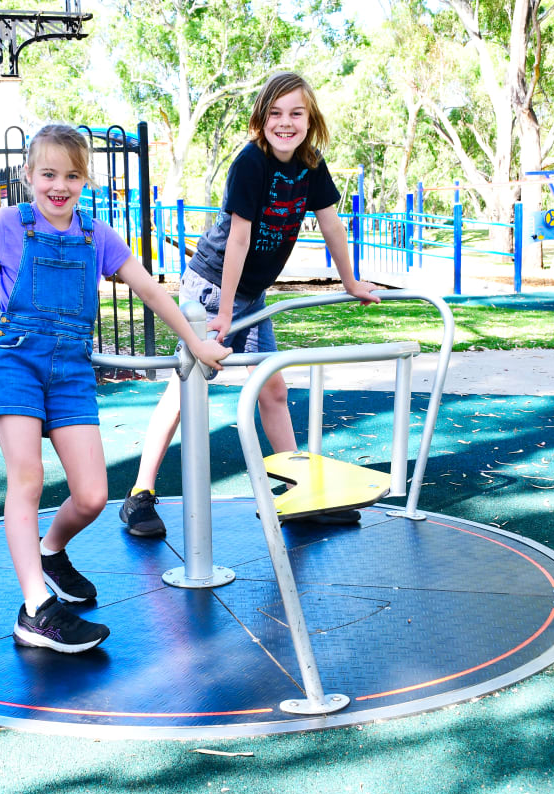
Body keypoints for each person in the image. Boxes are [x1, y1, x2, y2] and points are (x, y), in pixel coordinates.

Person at [0, 124, 230, 653]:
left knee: (92, 496)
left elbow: (152, 291)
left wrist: (196, 346)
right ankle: (36, 607)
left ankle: (51, 549)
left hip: (70, 370)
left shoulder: (98, 236)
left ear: (84, 179)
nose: (58, 186)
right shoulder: (7, 225)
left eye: (70, 175)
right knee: (28, 478)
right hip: (17, 363)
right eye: (48, 174)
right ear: (28, 176)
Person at [120, 71, 381, 537]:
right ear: (261, 121)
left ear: (310, 119)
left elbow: (332, 225)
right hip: (212, 286)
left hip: (251, 292)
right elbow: (239, 240)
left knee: (273, 389)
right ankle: (140, 493)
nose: (286, 123)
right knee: (187, 388)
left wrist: (351, 281)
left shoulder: (311, 165)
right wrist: (221, 313)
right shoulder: (251, 163)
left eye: (295, 113)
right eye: (275, 114)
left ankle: (301, 492)